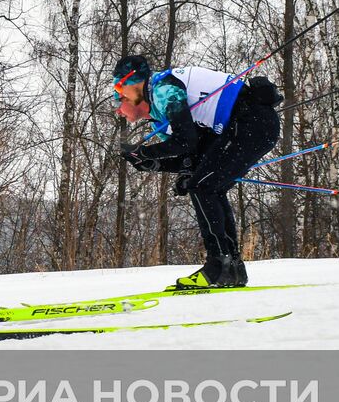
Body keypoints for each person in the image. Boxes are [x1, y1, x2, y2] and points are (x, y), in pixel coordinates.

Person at [113, 55, 283, 289]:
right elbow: (192, 155)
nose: (118, 110)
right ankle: (232, 269)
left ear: (134, 87)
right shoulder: (159, 117)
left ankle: (219, 267)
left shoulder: (163, 90)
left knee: (203, 187)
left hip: (250, 121)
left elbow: (186, 141)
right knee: (209, 186)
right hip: (247, 126)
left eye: (118, 96)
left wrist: (145, 152)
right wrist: (152, 163)